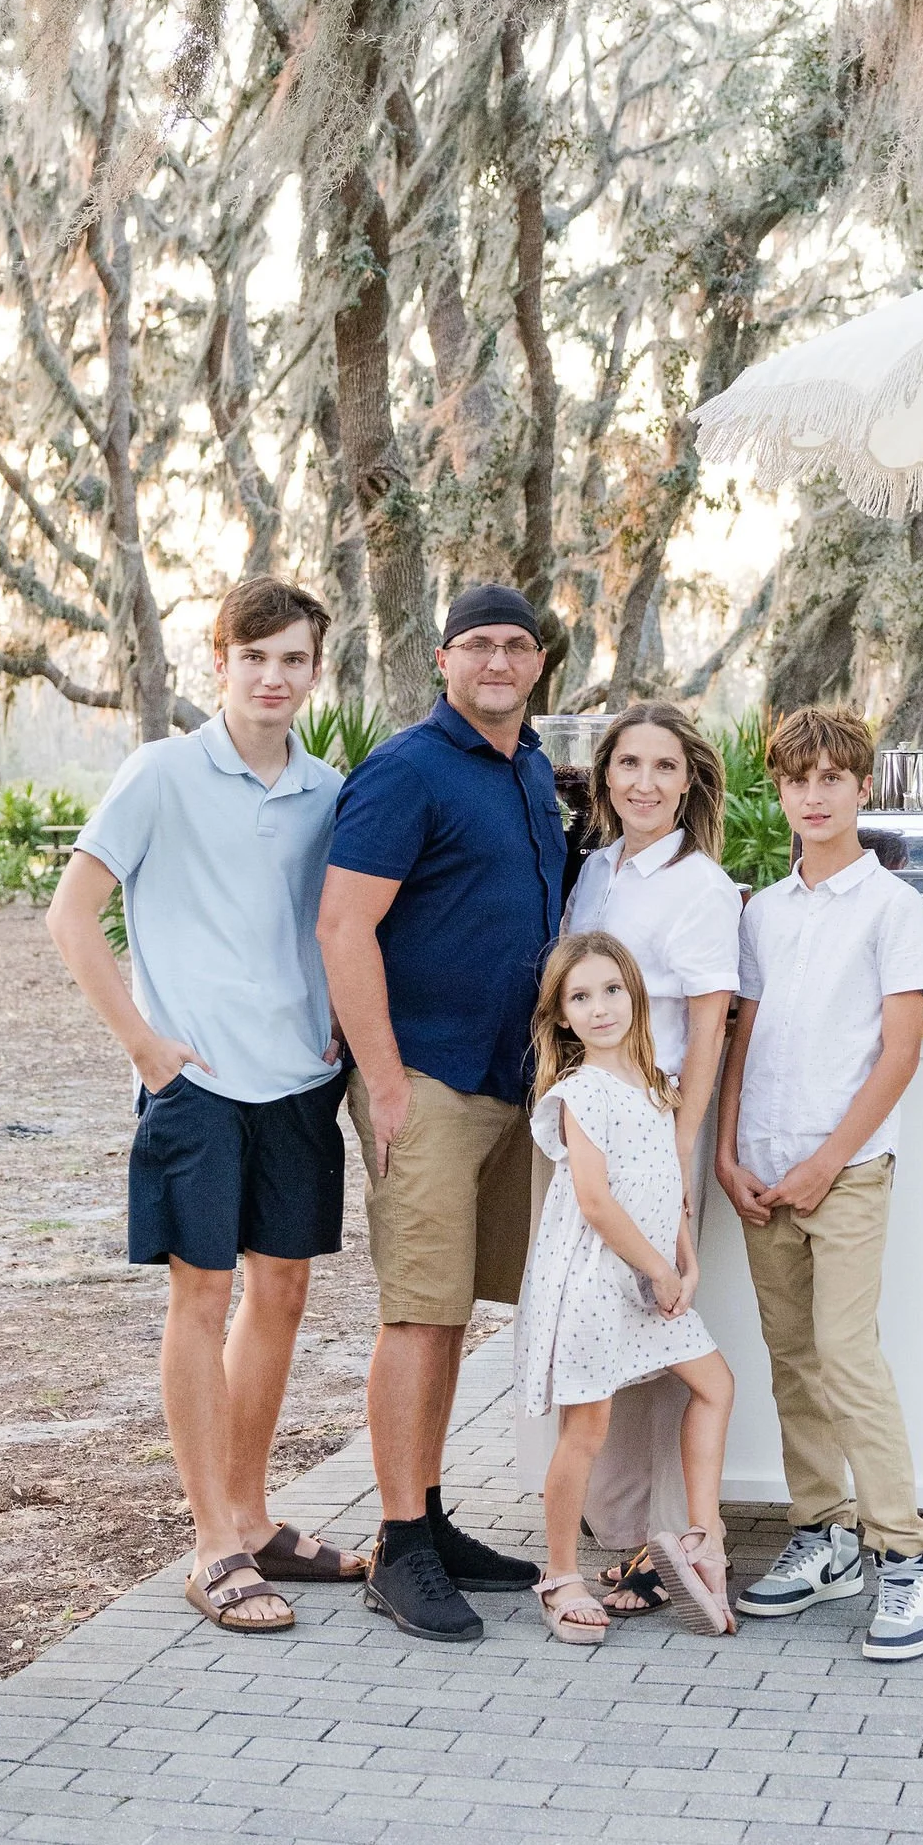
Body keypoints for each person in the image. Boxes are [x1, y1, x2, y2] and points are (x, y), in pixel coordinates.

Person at [47, 577, 364, 1638]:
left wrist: (341, 1025)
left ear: (318, 670)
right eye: (254, 657)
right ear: (217, 663)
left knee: (279, 1295)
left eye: (293, 660)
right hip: (195, 1083)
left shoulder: (329, 789)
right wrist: (143, 1043)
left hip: (298, 1081)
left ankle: (257, 1517)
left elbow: (334, 924)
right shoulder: (161, 773)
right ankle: (210, 1544)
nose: (273, 678)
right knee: (202, 1294)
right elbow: (72, 914)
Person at [317, 582, 567, 1643]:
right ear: (441, 659)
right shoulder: (405, 768)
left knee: (456, 1303)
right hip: (423, 1078)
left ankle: (429, 1515)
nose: (498, 661)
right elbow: (342, 925)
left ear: (539, 663)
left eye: (516, 645)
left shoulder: (530, 771)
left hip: (508, 1082)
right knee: (417, 1309)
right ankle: (397, 1543)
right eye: (478, 645)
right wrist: (380, 1078)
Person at [714, 703, 923, 1663]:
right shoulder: (761, 912)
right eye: (796, 779)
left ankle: (905, 1551)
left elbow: (898, 1055)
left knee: (847, 1354)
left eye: (832, 779)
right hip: (762, 1170)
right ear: (781, 791)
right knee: (792, 1357)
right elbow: (743, 1040)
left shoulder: (892, 908)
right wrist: (729, 1153)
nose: (814, 795)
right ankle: (826, 1532)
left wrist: (822, 1163)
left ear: (861, 788)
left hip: (844, 1170)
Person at [559, 702, 740, 1614]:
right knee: (602, 1320)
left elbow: (708, 1026)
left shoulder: (702, 886)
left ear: (689, 781)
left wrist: (679, 1145)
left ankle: (665, 1537)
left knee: (661, 1319)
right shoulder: (592, 872)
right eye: (627, 763)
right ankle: (622, 1527)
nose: (642, 781)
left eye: (663, 766)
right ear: (604, 778)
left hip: (660, 1123)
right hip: (594, 1119)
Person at [517, 933, 736, 1644]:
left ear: (634, 995)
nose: (600, 1005)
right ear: (561, 1017)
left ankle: (702, 1541)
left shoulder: (656, 1082)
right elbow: (596, 1200)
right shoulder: (579, 1093)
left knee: (715, 1385)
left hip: (650, 1275)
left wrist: (685, 1261)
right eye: (580, 996)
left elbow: (666, 1188)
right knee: (588, 1428)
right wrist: (660, 1270)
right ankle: (558, 1574)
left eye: (611, 988)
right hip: (593, 1282)